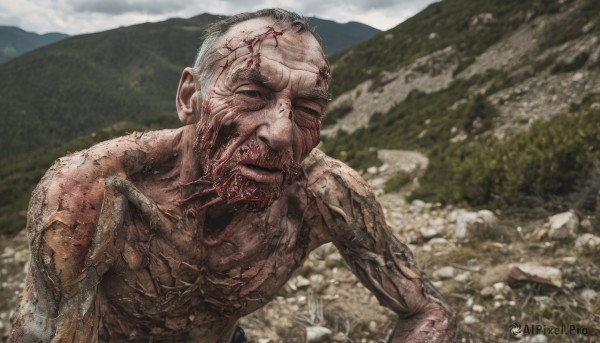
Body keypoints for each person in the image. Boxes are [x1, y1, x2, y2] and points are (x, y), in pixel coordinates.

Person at [10, 8, 455, 342]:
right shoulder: (90, 193)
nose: (281, 131)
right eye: (251, 93)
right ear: (190, 98)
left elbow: (427, 310)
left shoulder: (323, 195)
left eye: (308, 108)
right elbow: (44, 334)